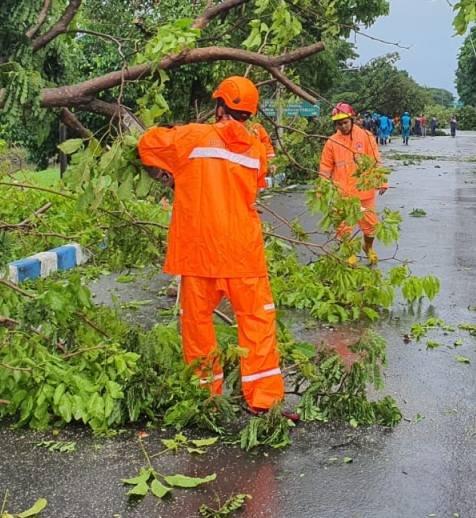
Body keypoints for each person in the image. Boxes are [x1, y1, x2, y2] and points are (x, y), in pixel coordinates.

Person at [137, 75, 294, 419]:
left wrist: (176, 167)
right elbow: (255, 184)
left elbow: (147, 144)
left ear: (220, 105)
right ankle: (265, 400)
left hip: (200, 252)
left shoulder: (191, 137)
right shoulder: (256, 149)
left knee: (198, 327)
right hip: (243, 253)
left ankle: (206, 399)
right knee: (257, 325)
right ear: (250, 112)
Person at [319, 102, 387, 263]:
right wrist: (322, 188)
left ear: (352, 119)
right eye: (339, 124)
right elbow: (325, 167)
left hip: (364, 192)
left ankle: (368, 247)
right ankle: (350, 253)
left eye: (345, 122)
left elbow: (375, 159)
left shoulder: (366, 136)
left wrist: (381, 180)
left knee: (371, 225)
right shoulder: (332, 142)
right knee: (342, 227)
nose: (343, 126)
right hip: (342, 193)